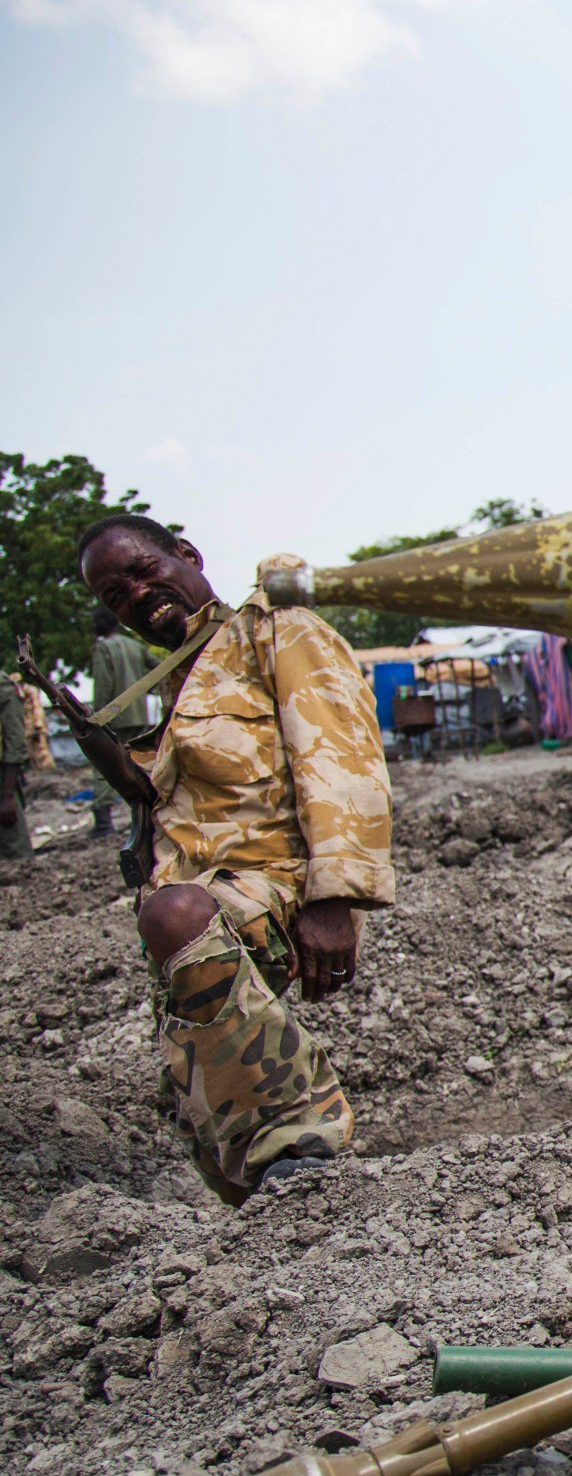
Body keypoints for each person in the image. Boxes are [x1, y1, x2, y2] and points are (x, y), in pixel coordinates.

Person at [51, 515, 394, 1203]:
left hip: (271, 885)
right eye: (117, 597)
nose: (138, 597)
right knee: (197, 1068)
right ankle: (266, 1198)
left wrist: (335, 899)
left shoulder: (277, 632)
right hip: (203, 905)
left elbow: (339, 757)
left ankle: (303, 1140)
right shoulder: (185, 676)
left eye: (144, 572)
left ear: (187, 555)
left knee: (175, 916)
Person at [86, 603, 152, 835]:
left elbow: (103, 686)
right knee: (139, 764)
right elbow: (159, 667)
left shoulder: (103, 649)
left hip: (114, 717)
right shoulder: (135, 645)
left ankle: (103, 823)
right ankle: (148, 814)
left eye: (95, 622)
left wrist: (96, 718)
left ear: (103, 623)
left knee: (105, 767)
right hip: (140, 715)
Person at [0, 673, 31, 860]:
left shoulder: (4, 688)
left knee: (17, 857)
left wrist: (7, 795)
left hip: (3, 781)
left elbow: (15, 742)